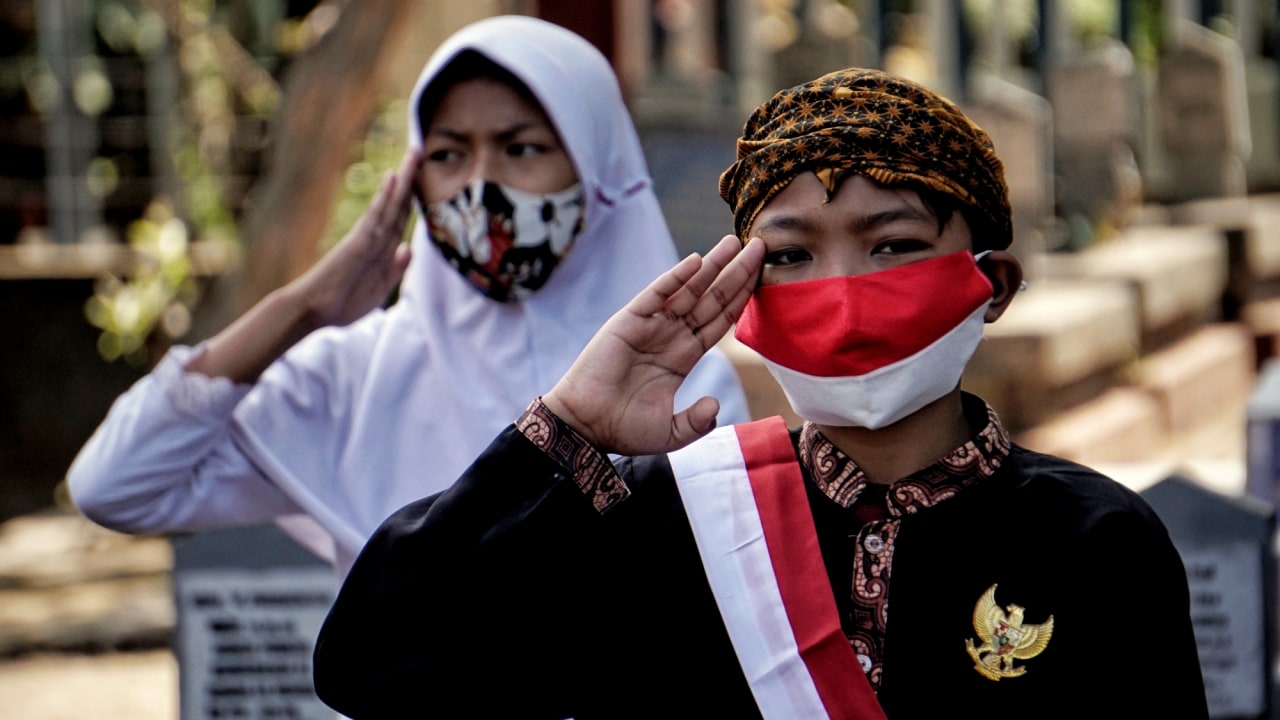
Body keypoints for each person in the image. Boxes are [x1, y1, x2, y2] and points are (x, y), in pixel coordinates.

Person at [311, 67, 1209, 719]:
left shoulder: (1097, 541)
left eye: (891, 244)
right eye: (788, 257)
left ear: (994, 285)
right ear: (743, 296)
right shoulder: (663, 520)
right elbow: (370, 664)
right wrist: (567, 430)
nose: (843, 290)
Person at [65, 15, 750, 581]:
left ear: (599, 168)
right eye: (449, 154)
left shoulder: (685, 386)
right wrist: (297, 309)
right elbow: (114, 485)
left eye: (522, 149)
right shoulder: (353, 378)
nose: (481, 187)